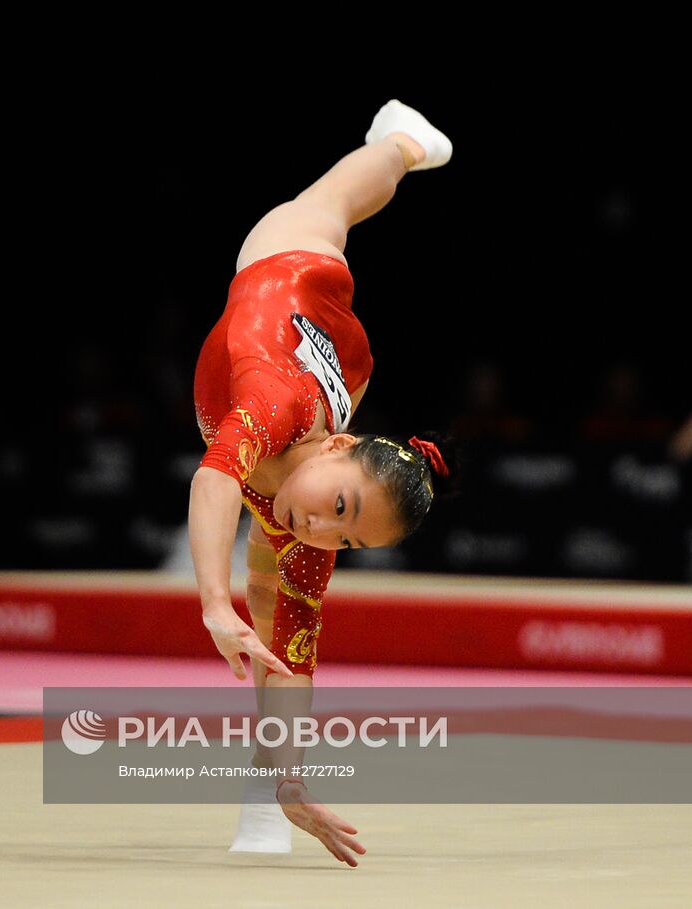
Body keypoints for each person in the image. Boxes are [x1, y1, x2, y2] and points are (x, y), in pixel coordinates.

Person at [188, 100, 460, 867]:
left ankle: (262, 783)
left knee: (282, 607)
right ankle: (402, 140)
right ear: (336, 445)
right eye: (339, 510)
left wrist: (294, 782)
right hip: (289, 282)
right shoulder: (275, 410)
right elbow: (212, 484)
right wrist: (213, 602)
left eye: (347, 538)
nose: (323, 532)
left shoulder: (316, 519)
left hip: (345, 369)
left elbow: (294, 663)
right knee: (330, 205)